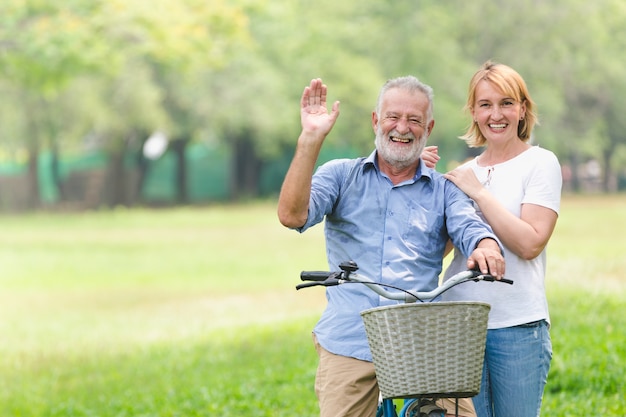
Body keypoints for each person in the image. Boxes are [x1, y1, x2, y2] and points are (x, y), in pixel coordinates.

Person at [277, 76, 505, 417]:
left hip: (422, 342)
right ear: (375, 121)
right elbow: (292, 215)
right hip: (350, 337)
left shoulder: (444, 190)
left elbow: (469, 225)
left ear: (428, 128)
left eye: (414, 120)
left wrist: (486, 245)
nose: (403, 127)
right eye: (393, 117)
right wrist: (310, 138)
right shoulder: (341, 175)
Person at [438, 61, 562, 417]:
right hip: (461, 324)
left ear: (523, 109)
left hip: (517, 325)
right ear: (474, 112)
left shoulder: (540, 163)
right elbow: (442, 248)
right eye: (486, 104)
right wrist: (428, 185)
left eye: (507, 103)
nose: (497, 114)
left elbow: (530, 242)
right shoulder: (462, 173)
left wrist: (477, 192)